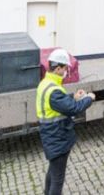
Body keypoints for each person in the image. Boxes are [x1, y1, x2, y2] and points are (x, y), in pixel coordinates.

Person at [36, 49, 95, 195]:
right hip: (57, 137)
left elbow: (59, 103)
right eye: (65, 68)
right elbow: (74, 109)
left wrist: (73, 96)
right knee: (58, 179)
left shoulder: (46, 83)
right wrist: (89, 98)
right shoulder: (54, 90)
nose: (66, 71)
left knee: (53, 171)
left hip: (52, 136)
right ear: (57, 68)